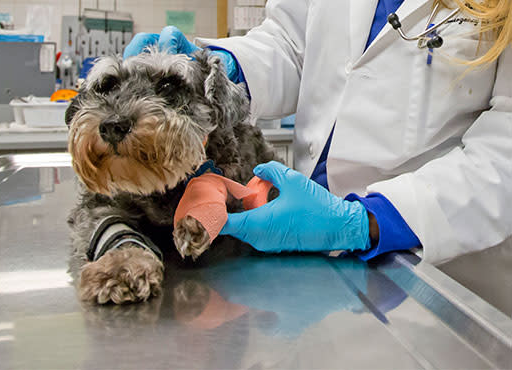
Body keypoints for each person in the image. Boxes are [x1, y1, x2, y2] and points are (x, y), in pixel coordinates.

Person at [124, 0, 512, 264]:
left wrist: (365, 221)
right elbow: (290, 44)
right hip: (300, 241)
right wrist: (225, 68)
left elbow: (503, 152)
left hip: (428, 260)